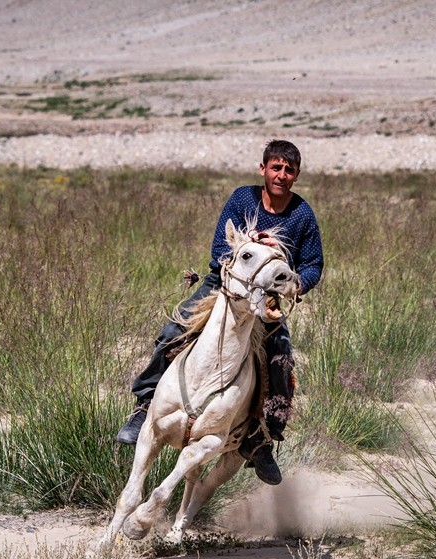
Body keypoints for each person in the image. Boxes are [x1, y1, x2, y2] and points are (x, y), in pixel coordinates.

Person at [116, 139, 324, 485]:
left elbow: (314, 263)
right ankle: (144, 406)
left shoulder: (302, 214)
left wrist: (298, 283)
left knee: (281, 358)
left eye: (289, 170)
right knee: (174, 329)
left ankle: (262, 437)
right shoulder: (242, 198)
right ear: (263, 169)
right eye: (276, 167)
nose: (281, 175)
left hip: (267, 295)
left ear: (297, 175)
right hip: (226, 283)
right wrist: (251, 248)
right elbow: (219, 248)